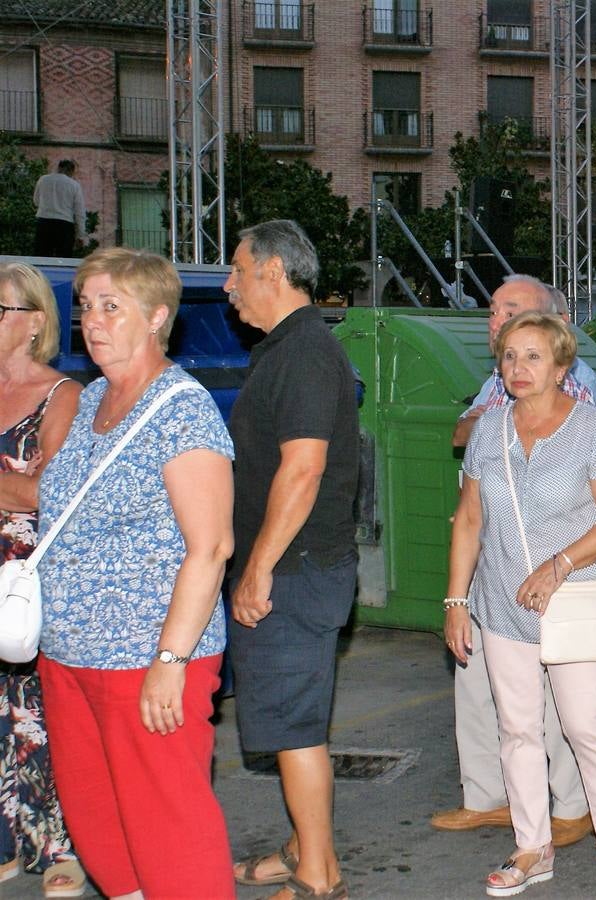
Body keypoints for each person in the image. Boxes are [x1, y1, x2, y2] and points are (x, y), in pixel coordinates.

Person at [37, 247, 235, 896]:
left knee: (169, 835)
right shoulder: (94, 396)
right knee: (101, 830)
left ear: (156, 317)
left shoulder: (183, 409)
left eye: (111, 307)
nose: (93, 322)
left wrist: (170, 661)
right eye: (86, 308)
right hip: (69, 658)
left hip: (146, 662)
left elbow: (210, 548)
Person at [444, 311, 596, 898]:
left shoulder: (595, 429)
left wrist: (559, 565)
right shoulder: (489, 430)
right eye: (509, 356)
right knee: (518, 730)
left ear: (562, 365)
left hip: (572, 598)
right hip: (501, 603)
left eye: (533, 356)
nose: (518, 368)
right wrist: (456, 600)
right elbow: (471, 520)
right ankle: (532, 847)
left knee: (586, 724)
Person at [433, 275, 596, 850]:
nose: (496, 320)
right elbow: (461, 435)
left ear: (557, 333)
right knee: (478, 683)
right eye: (496, 314)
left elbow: (579, 488)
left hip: (545, 571)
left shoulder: (581, 388)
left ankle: (571, 805)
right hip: (487, 557)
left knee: (553, 696)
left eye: (513, 311)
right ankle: (489, 797)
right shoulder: (495, 383)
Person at [225, 220, 358, 899]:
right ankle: (304, 845)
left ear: (273, 272)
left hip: (294, 572)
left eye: (238, 270)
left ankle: (317, 874)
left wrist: (258, 570)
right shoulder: (285, 348)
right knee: (284, 720)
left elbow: (302, 470)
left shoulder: (305, 352)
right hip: (292, 567)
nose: (229, 285)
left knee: (296, 726)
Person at [0, 264, 83, 898]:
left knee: (39, 712)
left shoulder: (63, 396)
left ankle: (63, 845)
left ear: (33, 322)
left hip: (22, 579)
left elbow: (50, 497)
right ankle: (9, 840)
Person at [453, 275, 596, 448]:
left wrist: (486, 421)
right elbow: (460, 435)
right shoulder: (499, 377)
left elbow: (554, 450)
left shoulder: (574, 382)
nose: (495, 324)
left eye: (510, 314)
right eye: (493, 312)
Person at [32, 160, 84, 258]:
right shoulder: (74, 185)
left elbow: (36, 201)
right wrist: (80, 235)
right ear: (71, 171)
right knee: (63, 258)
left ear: (58, 168)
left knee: (42, 257)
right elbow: (79, 212)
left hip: (44, 222)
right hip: (64, 225)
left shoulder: (43, 179)